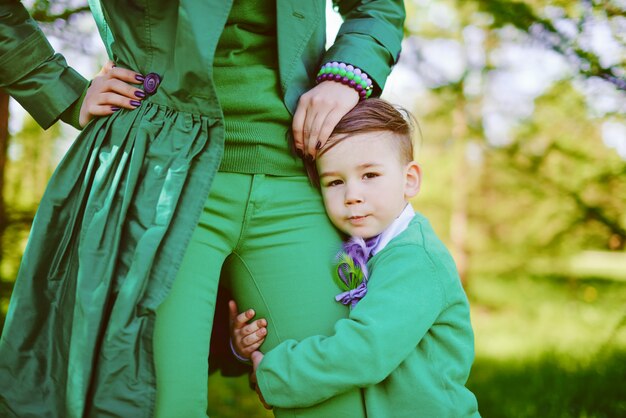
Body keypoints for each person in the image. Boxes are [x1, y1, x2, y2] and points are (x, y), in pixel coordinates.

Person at [0, 1, 405, 417]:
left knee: (337, 395)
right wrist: (58, 87)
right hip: (158, 176)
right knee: (158, 403)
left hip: (300, 172)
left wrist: (347, 74)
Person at [231, 98, 481, 417]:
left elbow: (367, 350)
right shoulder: (357, 252)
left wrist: (277, 375)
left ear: (410, 180)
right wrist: (245, 348)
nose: (352, 196)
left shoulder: (416, 258)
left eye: (370, 175)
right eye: (335, 182)